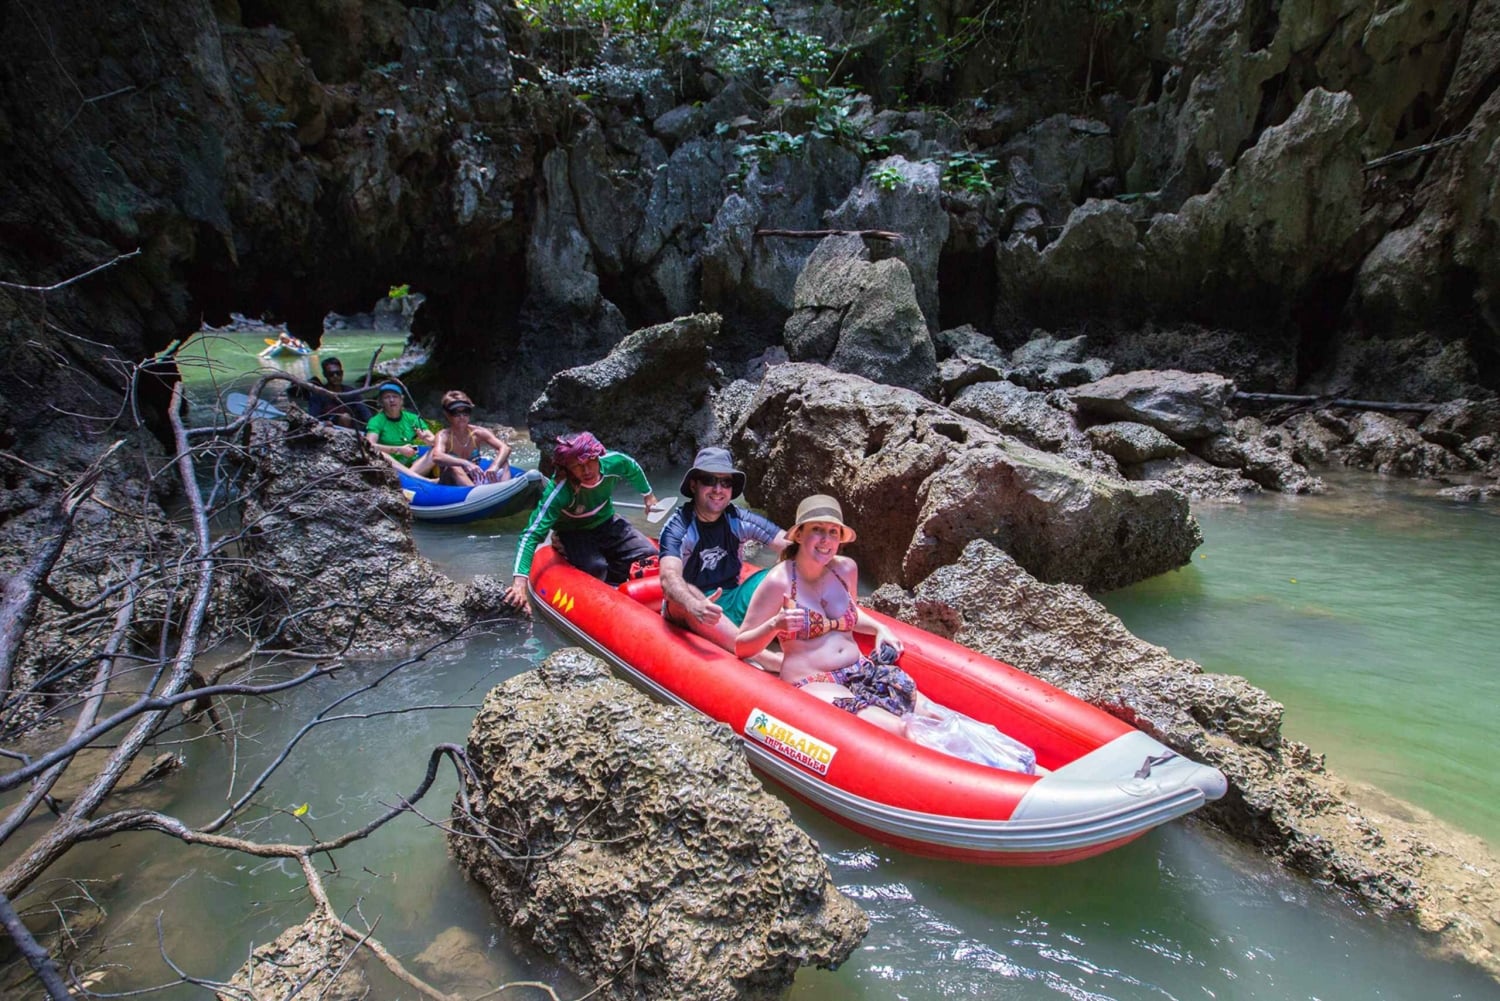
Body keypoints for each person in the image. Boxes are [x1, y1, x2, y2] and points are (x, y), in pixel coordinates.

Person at [736, 494, 916, 737]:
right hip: (813, 683)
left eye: (833, 532)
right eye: (817, 529)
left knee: (932, 714)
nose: (826, 539)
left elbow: (850, 614)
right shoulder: (779, 581)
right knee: (901, 729)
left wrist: (879, 628)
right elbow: (742, 647)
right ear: (799, 535)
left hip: (859, 669)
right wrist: (774, 625)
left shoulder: (846, 569)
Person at [658, 447, 788, 665]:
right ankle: (768, 659)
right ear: (694, 485)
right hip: (689, 607)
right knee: (690, 592)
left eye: (726, 482)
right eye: (709, 480)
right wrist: (694, 605)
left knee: (787, 569)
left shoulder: (738, 519)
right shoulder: (678, 527)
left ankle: (800, 640)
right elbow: (668, 577)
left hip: (732, 598)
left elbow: (790, 544)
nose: (718, 489)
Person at [503, 431, 660, 610]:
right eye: (577, 466)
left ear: (598, 457)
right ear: (567, 468)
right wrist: (519, 584)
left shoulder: (614, 462)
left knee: (648, 553)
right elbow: (530, 534)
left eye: (590, 462)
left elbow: (632, 467)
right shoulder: (560, 491)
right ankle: (562, 546)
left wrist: (648, 496)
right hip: (574, 532)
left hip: (607, 521)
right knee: (596, 567)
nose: (586, 471)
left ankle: (618, 581)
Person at [430, 390, 513, 487]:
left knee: (503, 461)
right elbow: (437, 456)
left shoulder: (478, 432)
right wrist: (465, 463)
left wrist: (495, 466)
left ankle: (505, 489)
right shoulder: (444, 435)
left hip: (474, 479)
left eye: (466, 411)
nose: (462, 416)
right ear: (447, 414)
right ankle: (477, 492)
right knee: (454, 466)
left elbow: (505, 448)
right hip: (451, 484)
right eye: (456, 412)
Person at [365, 382, 436, 478]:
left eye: (395, 396)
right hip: (391, 465)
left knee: (436, 450)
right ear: (381, 402)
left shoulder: (412, 418)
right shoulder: (376, 421)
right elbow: (369, 445)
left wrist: (425, 438)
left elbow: (434, 441)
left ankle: (409, 477)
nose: (391, 400)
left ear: (401, 400)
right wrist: (398, 450)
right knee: (381, 453)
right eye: (387, 397)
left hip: (413, 463)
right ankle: (420, 480)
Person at [305, 356, 372, 429]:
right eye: (331, 374)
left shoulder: (351, 392)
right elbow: (313, 418)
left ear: (342, 373)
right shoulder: (318, 395)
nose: (335, 376)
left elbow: (366, 413)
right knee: (344, 417)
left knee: (346, 417)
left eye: (338, 373)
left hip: (351, 430)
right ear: (325, 375)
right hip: (328, 430)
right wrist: (324, 424)